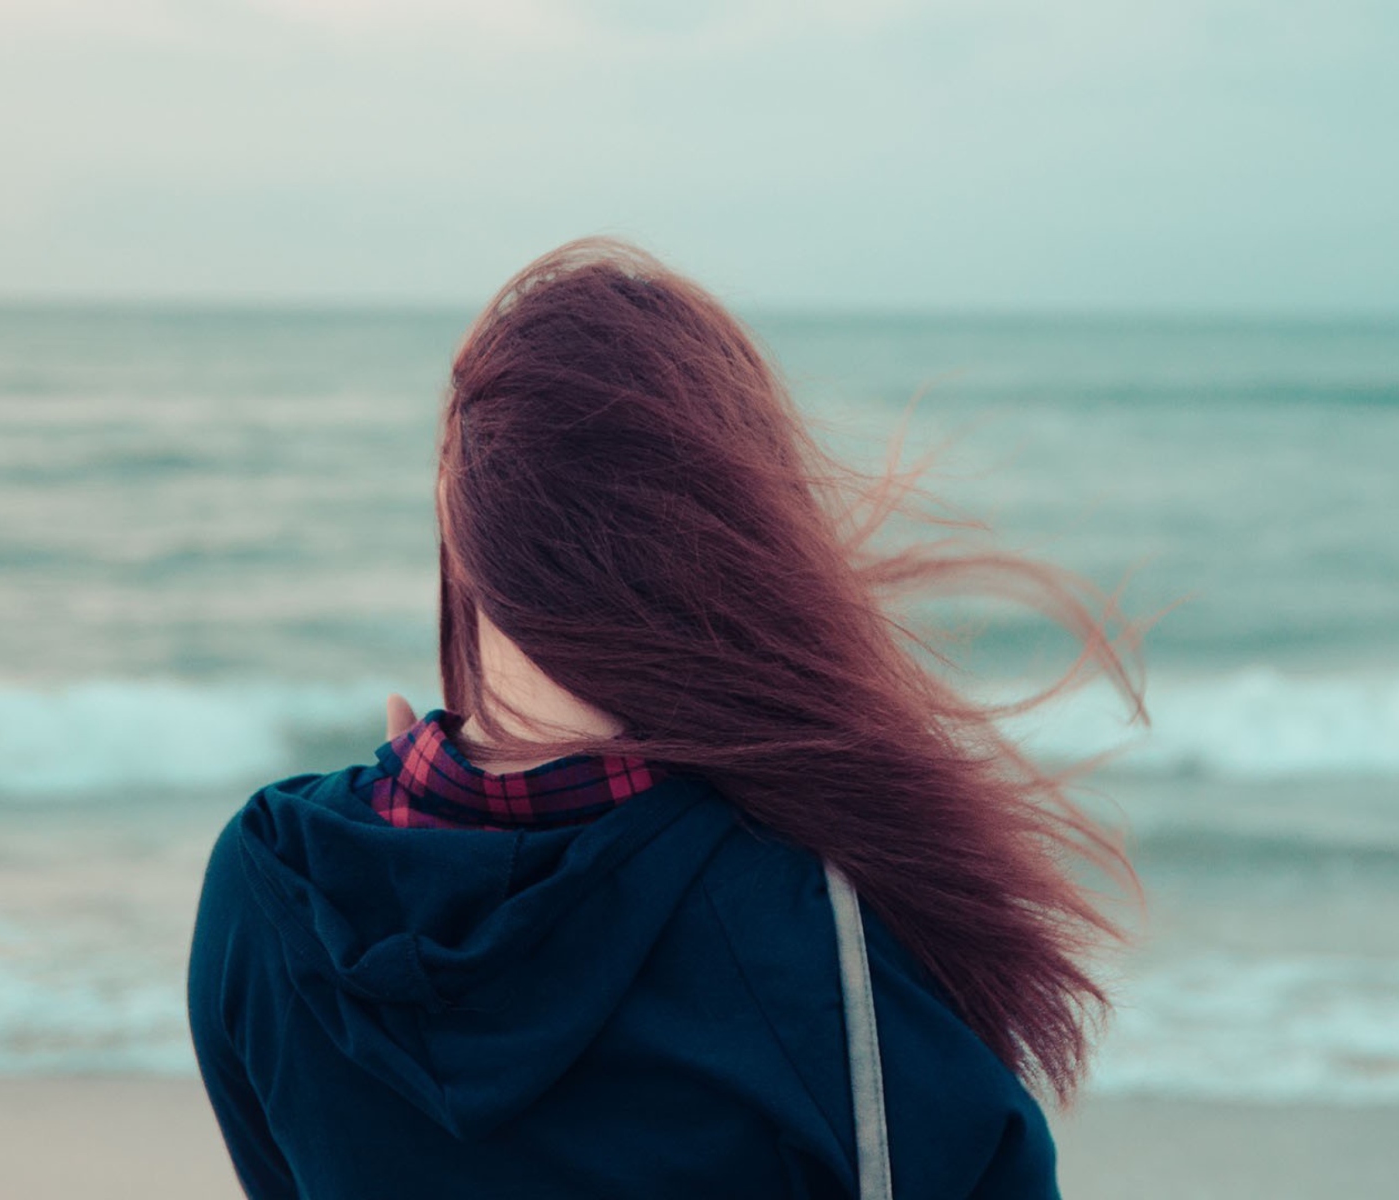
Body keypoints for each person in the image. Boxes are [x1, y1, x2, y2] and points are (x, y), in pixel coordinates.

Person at [187, 239, 1149, 1198]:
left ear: (462, 524)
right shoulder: (826, 944)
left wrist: (421, 849)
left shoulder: (272, 894)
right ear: (745, 537)